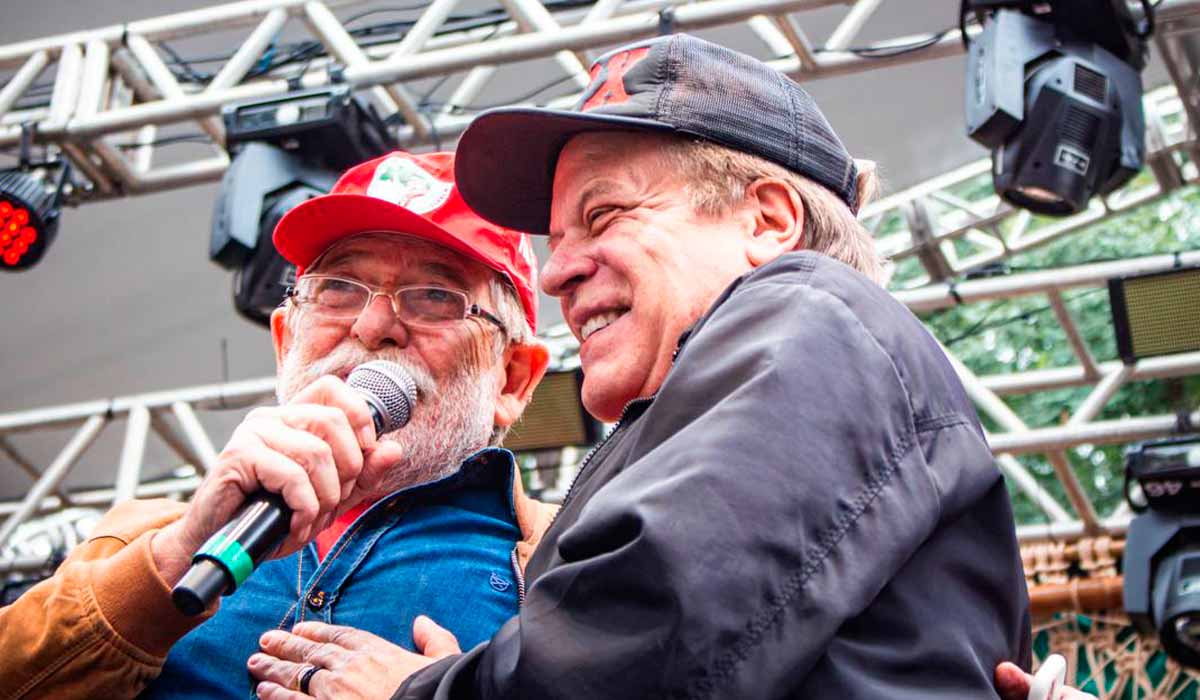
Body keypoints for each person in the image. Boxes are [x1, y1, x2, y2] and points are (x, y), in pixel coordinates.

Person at [251, 34, 1075, 699]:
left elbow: (659, 627)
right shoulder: (719, 403)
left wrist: (421, 694)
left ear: (768, 219)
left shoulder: (816, 310)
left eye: (602, 214)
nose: (555, 271)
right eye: (555, 238)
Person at [0, 151, 555, 699]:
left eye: (435, 297)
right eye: (338, 289)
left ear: (511, 380)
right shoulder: (139, 541)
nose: (373, 324)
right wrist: (177, 554)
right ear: (285, 340)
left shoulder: (572, 553)